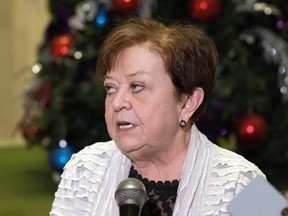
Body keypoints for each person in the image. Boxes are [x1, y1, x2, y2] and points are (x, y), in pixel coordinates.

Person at [50, 17, 265, 216]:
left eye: (137, 87)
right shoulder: (85, 169)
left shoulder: (244, 182)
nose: (117, 103)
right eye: (110, 88)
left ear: (188, 102)